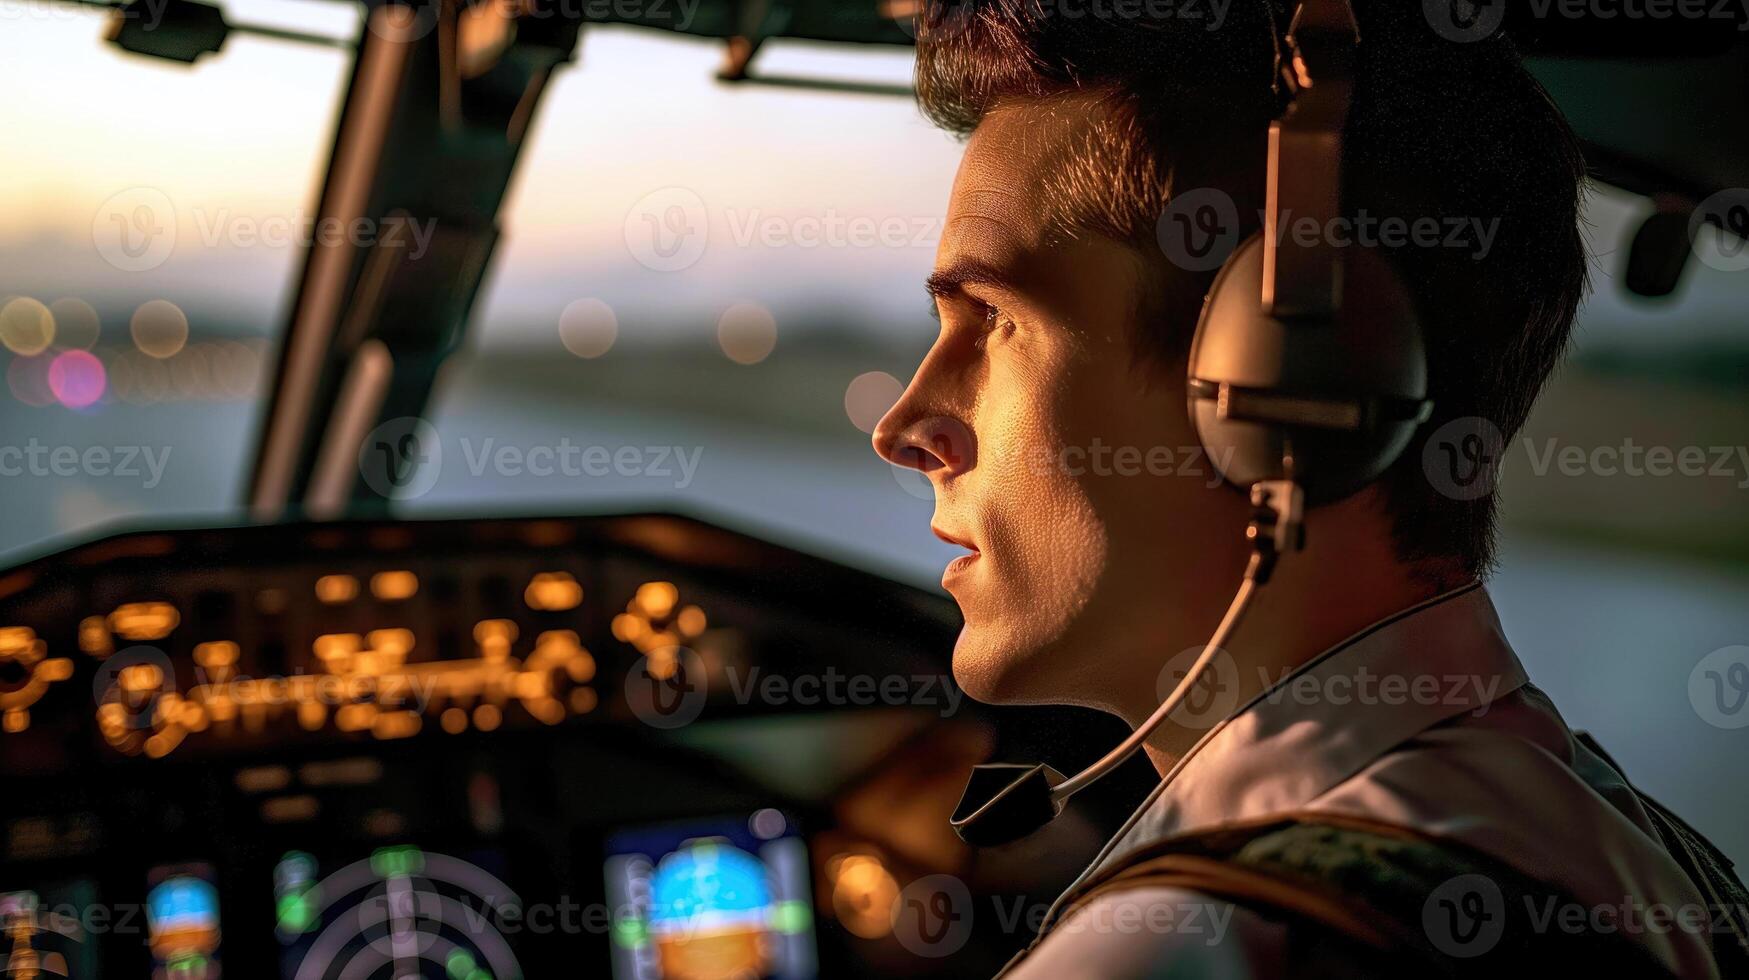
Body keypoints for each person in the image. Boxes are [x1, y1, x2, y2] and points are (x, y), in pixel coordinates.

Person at [871, 1, 1743, 975]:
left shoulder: (1201, 944)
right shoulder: (1641, 851)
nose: (904, 428)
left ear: (1287, 376)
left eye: (992, 318)